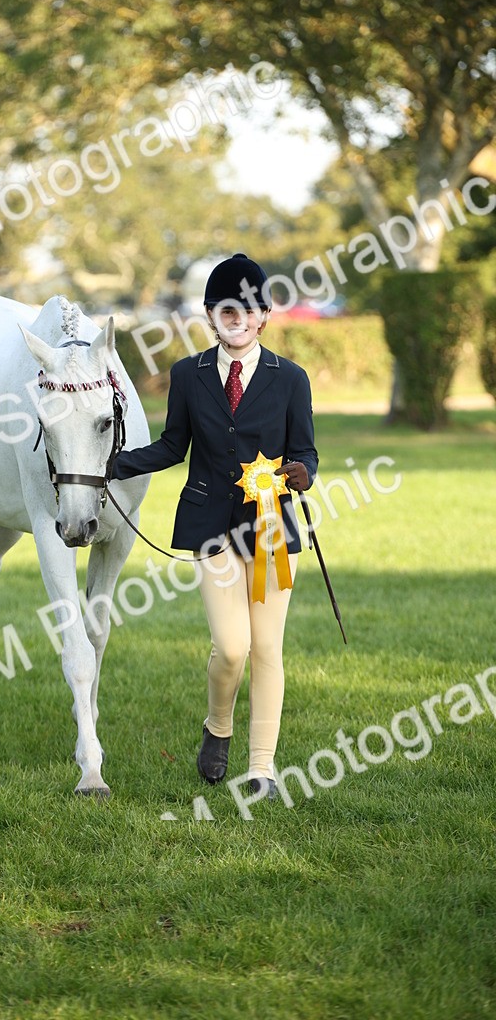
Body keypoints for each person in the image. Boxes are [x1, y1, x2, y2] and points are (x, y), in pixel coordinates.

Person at [110, 253, 318, 800]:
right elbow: (173, 446)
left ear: (264, 316)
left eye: (248, 310)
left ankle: (262, 769)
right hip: (208, 526)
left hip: (272, 531)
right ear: (210, 314)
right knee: (231, 647)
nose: (237, 318)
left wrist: (302, 474)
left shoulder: (291, 379)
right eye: (226, 308)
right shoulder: (188, 374)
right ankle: (217, 728)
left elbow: (306, 453)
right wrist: (114, 463)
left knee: (266, 647)